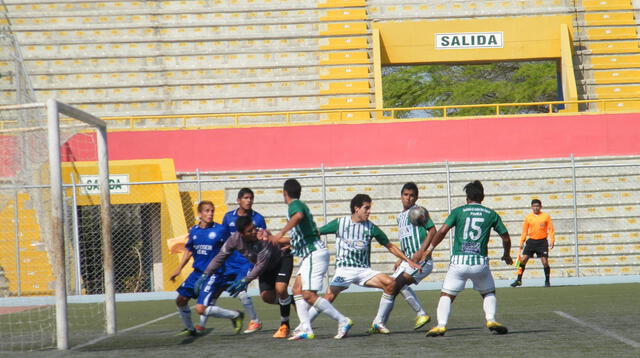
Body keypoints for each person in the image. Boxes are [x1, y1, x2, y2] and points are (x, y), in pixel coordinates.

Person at [304, 194, 421, 331]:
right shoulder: (340, 223)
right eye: (366, 208)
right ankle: (304, 325)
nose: (369, 211)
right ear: (356, 208)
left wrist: (408, 261)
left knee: (391, 284)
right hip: (344, 270)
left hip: (363, 271)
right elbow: (317, 232)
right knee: (329, 296)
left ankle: (379, 323)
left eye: (369, 208)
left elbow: (389, 245)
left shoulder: (371, 228)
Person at [265, 178, 353, 340]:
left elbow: (297, 216)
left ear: (285, 194)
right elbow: (302, 235)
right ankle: (306, 328)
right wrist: (288, 244)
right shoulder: (299, 205)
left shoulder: (295, 205)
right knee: (297, 290)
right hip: (311, 254)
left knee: (308, 295)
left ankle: (343, 320)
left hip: (314, 254)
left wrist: (280, 233)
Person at [424, 180, 513, 337]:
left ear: (467, 198)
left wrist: (430, 249)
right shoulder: (491, 214)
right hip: (480, 263)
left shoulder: (458, 211)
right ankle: (491, 319)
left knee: (447, 295)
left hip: (459, 263)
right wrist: (506, 254)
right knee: (488, 292)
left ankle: (441, 325)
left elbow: (443, 231)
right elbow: (505, 237)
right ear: (482, 197)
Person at [200, 215, 294, 339]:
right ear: (241, 234)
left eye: (254, 228)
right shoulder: (234, 239)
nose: (254, 232)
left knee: (280, 289)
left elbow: (260, 265)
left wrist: (245, 280)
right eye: (249, 231)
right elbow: (220, 257)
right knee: (267, 297)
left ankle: (284, 326)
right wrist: (205, 274)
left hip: (282, 259)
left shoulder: (262, 236)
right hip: (267, 267)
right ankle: (290, 300)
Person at [370, 182, 436, 334]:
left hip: (421, 261)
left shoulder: (419, 211)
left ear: (416, 197)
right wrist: (401, 257)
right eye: (406, 195)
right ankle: (378, 323)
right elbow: (405, 238)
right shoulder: (400, 217)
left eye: (412, 195)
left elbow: (432, 231)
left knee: (396, 284)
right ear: (401, 196)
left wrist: (422, 250)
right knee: (390, 286)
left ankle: (421, 314)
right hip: (408, 261)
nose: (408, 198)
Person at [170, 201, 243, 336]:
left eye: (212, 211)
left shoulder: (220, 230)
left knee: (200, 309)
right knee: (180, 300)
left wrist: (236, 269)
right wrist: (178, 269)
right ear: (200, 214)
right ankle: (190, 329)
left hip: (213, 274)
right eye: (207, 211)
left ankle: (235, 315)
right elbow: (189, 250)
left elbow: (234, 246)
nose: (210, 214)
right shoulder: (194, 231)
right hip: (197, 273)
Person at [207, 188, 266, 335]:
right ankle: (202, 325)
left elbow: (263, 240)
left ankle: (255, 321)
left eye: (251, 198)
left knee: (241, 291)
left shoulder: (258, 218)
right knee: (213, 295)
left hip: (247, 262)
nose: (249, 201)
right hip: (229, 262)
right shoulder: (228, 218)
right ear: (238, 200)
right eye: (246, 198)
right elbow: (225, 241)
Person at [510, 199, 555, 288]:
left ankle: (547, 281)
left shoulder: (546, 216)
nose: (536, 208)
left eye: (537, 206)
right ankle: (519, 280)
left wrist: (552, 240)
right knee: (522, 260)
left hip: (542, 242)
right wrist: (522, 241)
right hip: (531, 241)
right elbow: (524, 231)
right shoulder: (528, 217)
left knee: (545, 262)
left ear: (540, 207)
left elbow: (551, 229)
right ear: (531, 207)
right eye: (534, 206)